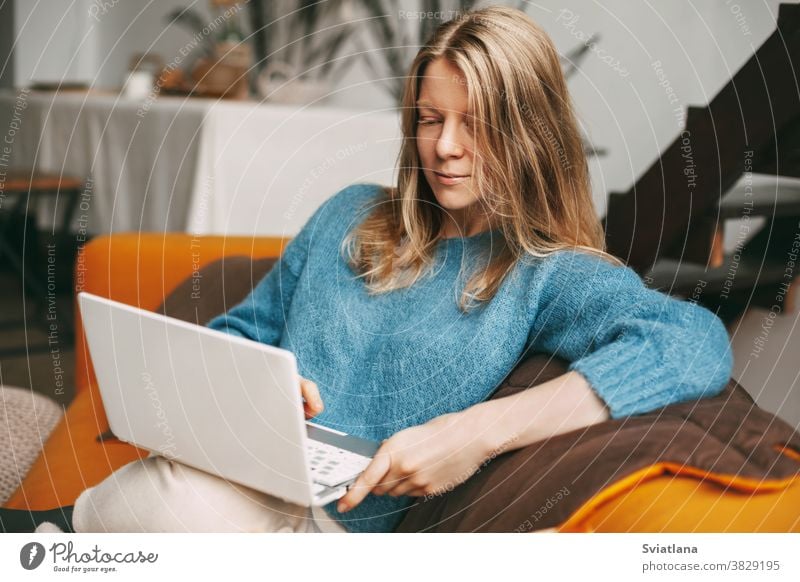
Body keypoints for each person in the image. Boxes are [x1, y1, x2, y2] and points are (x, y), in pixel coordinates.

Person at [2, 5, 733, 534]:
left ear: (530, 131)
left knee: (176, 507)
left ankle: (56, 537)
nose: (444, 146)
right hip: (233, 471)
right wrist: (259, 384)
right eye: (428, 117)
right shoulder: (349, 213)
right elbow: (241, 327)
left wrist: (476, 433)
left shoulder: (548, 271)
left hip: (318, 528)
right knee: (166, 492)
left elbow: (692, 342)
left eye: (474, 122)